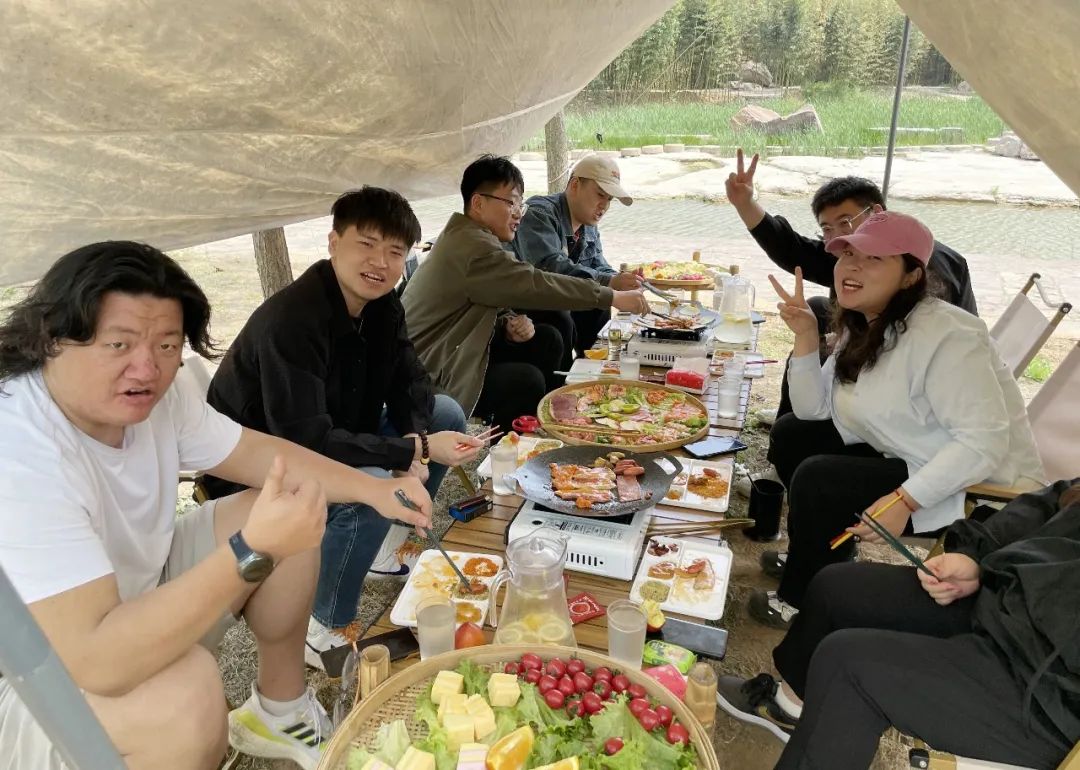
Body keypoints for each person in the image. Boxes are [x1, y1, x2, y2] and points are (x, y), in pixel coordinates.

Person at [0, 242, 432, 770]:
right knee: (187, 697)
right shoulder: (19, 449)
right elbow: (97, 660)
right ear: (51, 337)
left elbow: (258, 454)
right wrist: (252, 550)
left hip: (132, 589)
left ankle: (280, 709)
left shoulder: (161, 393)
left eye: (167, 345)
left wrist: (373, 489)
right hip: (35, 674)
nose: (146, 368)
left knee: (288, 501)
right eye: (118, 344)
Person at [203, 187, 482, 669]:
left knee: (445, 414)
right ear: (334, 242)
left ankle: (387, 551)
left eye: (395, 251)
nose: (380, 262)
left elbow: (411, 381)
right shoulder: (292, 320)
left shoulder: (384, 306)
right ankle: (321, 624)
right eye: (366, 244)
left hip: (335, 433)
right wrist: (406, 455)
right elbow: (305, 440)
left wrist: (414, 442)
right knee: (368, 486)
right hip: (259, 466)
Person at [748, 211, 1042, 630]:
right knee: (795, 434)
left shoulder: (950, 336)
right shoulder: (867, 320)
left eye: (874, 259)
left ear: (911, 276)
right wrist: (806, 337)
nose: (852, 266)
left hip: (974, 484)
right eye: (848, 254)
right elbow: (813, 410)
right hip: (912, 448)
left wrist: (905, 500)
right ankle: (818, 553)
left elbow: (984, 442)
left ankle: (801, 600)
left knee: (821, 479)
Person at [717, 479, 1080, 770]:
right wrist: (975, 557)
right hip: (1008, 602)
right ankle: (790, 708)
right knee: (837, 588)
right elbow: (1056, 500)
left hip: (1049, 687)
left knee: (848, 665)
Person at [725, 148, 977, 425]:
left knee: (799, 415)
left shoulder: (925, 272)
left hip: (909, 392)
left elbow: (919, 351)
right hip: (872, 341)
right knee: (816, 311)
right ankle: (792, 415)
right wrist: (745, 204)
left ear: (877, 213)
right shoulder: (851, 252)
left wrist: (851, 343)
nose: (839, 242)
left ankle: (802, 426)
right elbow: (794, 250)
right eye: (827, 229)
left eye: (845, 222)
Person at [402, 155, 649, 432]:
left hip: (457, 349)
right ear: (478, 203)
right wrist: (611, 296)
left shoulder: (475, 238)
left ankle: (553, 421)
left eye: (520, 203)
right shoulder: (473, 247)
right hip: (428, 370)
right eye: (511, 203)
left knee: (547, 339)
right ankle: (512, 448)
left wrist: (506, 322)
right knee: (525, 380)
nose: (519, 213)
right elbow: (534, 281)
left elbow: (477, 300)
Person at [514, 153, 644, 365]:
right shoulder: (539, 213)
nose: (604, 206)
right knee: (562, 315)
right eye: (600, 194)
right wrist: (611, 282)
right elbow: (551, 269)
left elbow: (599, 265)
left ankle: (593, 367)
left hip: (561, 297)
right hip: (523, 304)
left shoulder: (588, 224)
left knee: (598, 304)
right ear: (575, 185)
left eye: (609, 199)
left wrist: (624, 281)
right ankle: (565, 382)